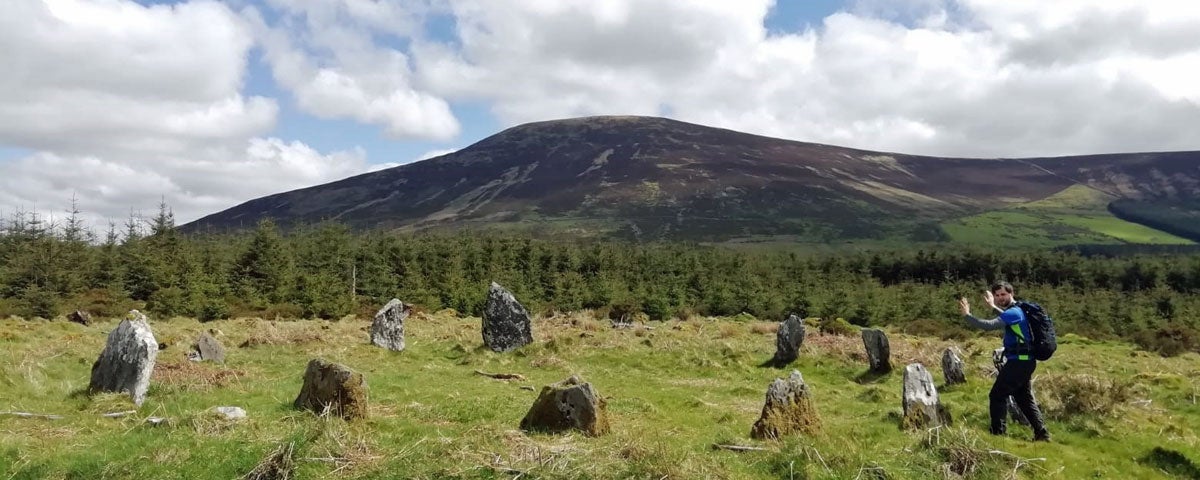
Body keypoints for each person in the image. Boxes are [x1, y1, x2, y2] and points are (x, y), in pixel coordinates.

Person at [958, 281, 1051, 442]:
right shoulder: (1019, 310)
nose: (1000, 298)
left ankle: (998, 434)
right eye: (997, 295)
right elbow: (1006, 318)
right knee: (1023, 398)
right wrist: (993, 306)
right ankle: (1042, 433)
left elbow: (988, 326)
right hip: (1024, 361)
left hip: (1019, 363)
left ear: (1011, 294)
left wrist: (967, 315)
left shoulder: (1013, 312)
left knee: (997, 395)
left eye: (1003, 294)